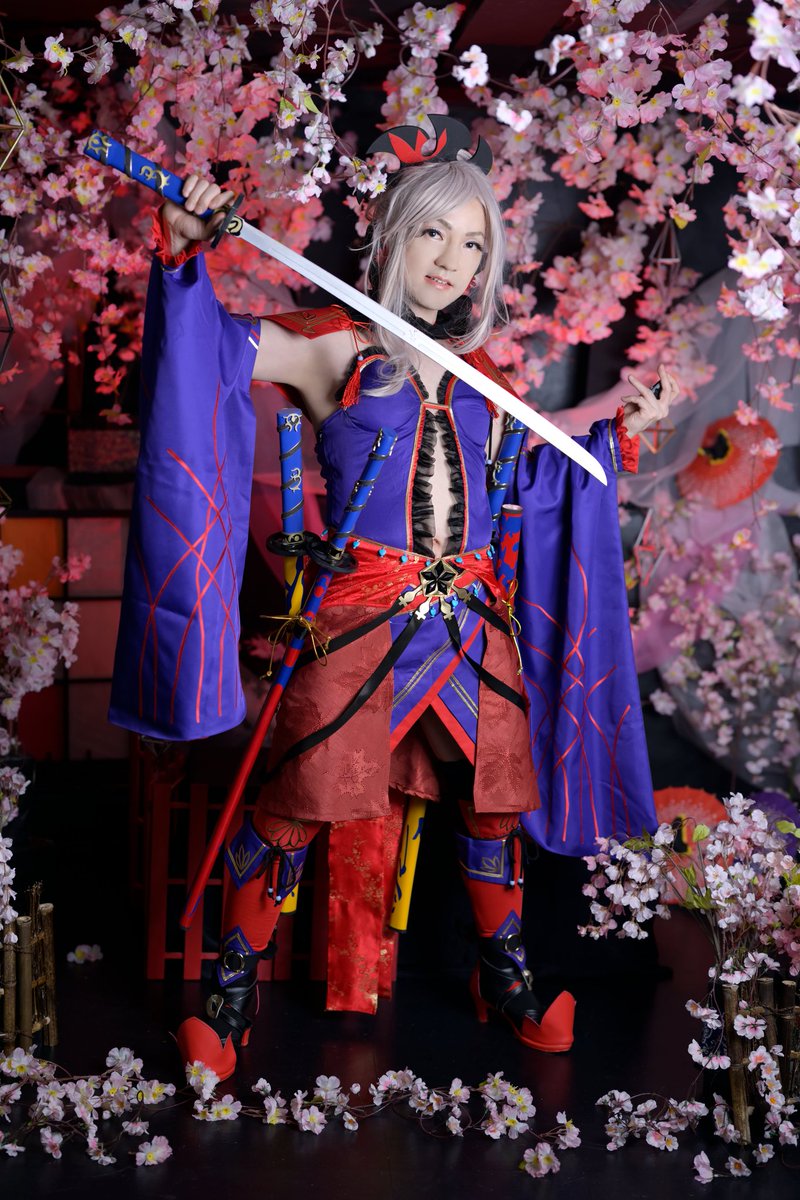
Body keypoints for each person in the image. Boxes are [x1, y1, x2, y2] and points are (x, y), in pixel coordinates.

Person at [109, 122, 677, 1082]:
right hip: (360, 615)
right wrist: (184, 256)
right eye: (433, 234)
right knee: (297, 802)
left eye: (473, 245)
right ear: (390, 235)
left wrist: (615, 438)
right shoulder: (332, 348)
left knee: (491, 804)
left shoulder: (483, 379)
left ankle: (507, 981)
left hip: (472, 622)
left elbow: (528, 489)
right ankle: (230, 996)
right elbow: (204, 355)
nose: (452, 262)